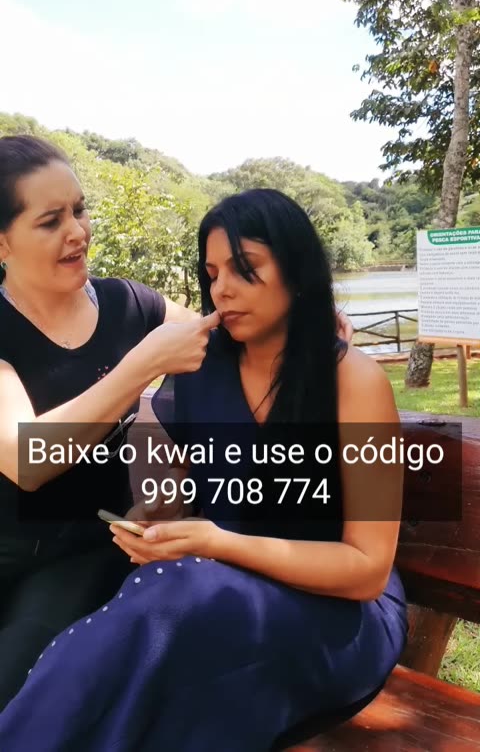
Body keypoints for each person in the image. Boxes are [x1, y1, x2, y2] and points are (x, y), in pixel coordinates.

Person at [0, 187, 408, 752]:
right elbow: (188, 488)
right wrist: (159, 514)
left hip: (338, 616)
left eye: (245, 268)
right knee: (156, 606)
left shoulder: (354, 382)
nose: (222, 289)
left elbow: (366, 570)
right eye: (212, 273)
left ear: (297, 271)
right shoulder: (203, 368)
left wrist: (217, 544)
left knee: (177, 606)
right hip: (216, 594)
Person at [0, 134, 222, 710]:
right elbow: (26, 460)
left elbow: (224, 334)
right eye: (50, 221)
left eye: (79, 210)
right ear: (2, 242)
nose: (77, 231)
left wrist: (307, 320)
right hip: (11, 554)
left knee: (28, 689)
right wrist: (140, 365)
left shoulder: (129, 304)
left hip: (93, 552)